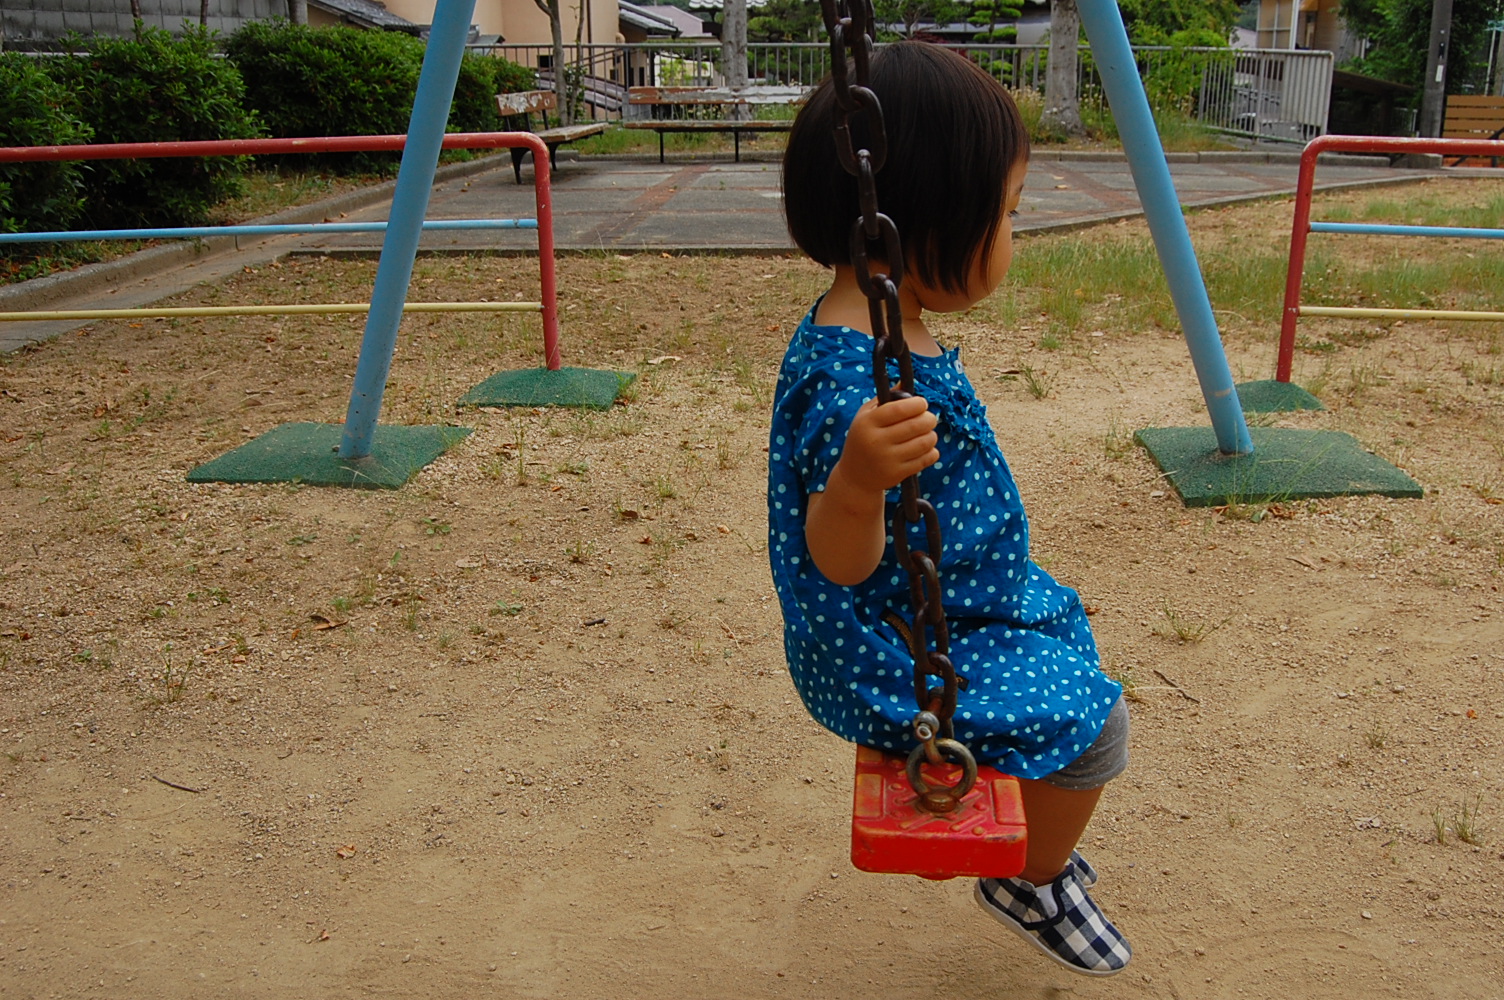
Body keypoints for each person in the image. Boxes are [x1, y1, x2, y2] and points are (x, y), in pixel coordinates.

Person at [768, 41, 1132, 978]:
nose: (1014, 233)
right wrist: (856, 485)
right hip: (892, 645)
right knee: (1097, 728)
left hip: (960, 597)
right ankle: (1031, 880)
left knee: (1066, 633)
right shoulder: (849, 381)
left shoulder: (891, 323)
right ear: (914, 228)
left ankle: (1023, 823)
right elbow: (836, 559)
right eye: (1007, 214)